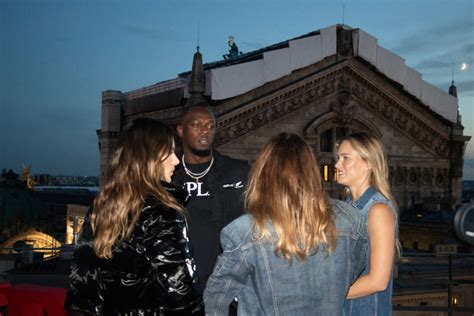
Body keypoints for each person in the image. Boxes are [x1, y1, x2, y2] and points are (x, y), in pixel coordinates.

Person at [203, 132, 368, 315]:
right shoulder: (351, 219)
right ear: (311, 171)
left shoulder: (243, 232)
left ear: (263, 174)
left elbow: (216, 297)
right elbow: (352, 271)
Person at [64, 118, 204, 315]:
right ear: (150, 158)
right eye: (170, 152)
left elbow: (82, 285)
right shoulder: (161, 211)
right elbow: (179, 291)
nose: (176, 160)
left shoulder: (102, 206)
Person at [173, 104, 250, 289]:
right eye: (196, 125)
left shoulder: (238, 172)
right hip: (178, 286)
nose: (205, 131)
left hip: (227, 285)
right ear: (181, 130)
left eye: (210, 126)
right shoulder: (168, 175)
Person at [335, 131, 398, 316]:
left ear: (368, 163)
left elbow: (378, 281)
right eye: (338, 158)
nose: (337, 164)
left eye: (345, 158)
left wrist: (325, 294)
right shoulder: (345, 208)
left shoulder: (378, 210)